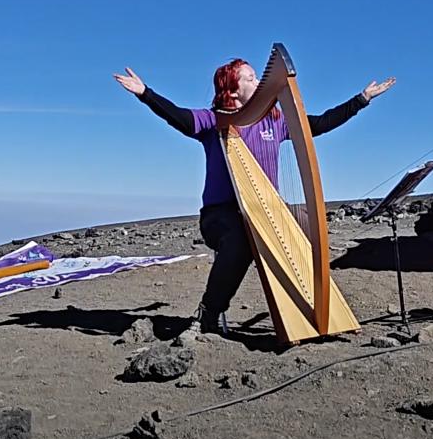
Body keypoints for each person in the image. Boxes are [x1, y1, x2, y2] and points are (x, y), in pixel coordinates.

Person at [114, 58, 395, 333]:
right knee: (240, 241)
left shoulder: (275, 123)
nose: (258, 82)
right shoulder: (214, 122)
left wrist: (361, 99)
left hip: (263, 210)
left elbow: (320, 124)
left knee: (307, 225)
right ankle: (209, 311)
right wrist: (145, 94)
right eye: (250, 78)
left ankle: (315, 310)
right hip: (219, 215)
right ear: (233, 90)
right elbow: (178, 116)